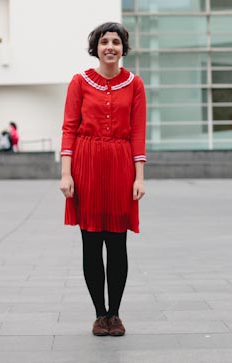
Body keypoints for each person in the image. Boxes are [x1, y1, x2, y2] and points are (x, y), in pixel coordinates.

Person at [59, 22, 146, 337]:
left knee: (118, 243)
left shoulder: (135, 84)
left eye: (116, 42)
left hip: (121, 165)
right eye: (104, 41)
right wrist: (66, 173)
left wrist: (139, 178)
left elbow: (138, 132)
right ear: (95, 47)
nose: (110, 47)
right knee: (91, 243)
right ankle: (99, 314)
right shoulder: (79, 82)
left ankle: (115, 314)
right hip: (87, 165)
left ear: (123, 48)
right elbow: (69, 127)